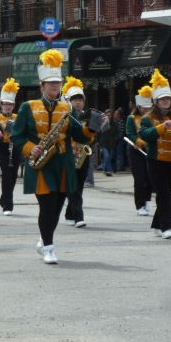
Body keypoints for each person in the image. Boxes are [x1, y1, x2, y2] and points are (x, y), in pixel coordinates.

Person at [11, 49, 95, 264]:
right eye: (50, 83)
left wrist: (93, 129)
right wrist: (32, 148)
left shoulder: (68, 108)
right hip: (40, 164)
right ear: (42, 86)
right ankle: (49, 247)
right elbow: (17, 136)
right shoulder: (27, 107)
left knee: (57, 208)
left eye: (57, 83)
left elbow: (79, 136)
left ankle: (44, 238)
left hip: (63, 164)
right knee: (46, 206)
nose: (55, 87)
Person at [139, 70, 171, 239]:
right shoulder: (147, 118)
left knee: (168, 194)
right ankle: (166, 227)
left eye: (168, 99)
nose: (166, 101)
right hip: (156, 161)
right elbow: (145, 134)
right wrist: (163, 127)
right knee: (163, 194)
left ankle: (157, 224)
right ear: (156, 101)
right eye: (162, 99)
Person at [62, 76, 97, 229]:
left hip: (83, 155)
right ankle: (78, 217)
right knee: (72, 187)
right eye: (74, 99)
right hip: (68, 155)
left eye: (80, 99)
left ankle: (70, 213)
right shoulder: (65, 116)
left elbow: (94, 137)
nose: (78, 102)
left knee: (79, 186)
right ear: (68, 101)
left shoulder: (88, 116)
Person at [0, 78, 20, 216]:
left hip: (15, 149)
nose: (8, 106)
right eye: (5, 104)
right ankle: (8, 206)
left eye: (10, 104)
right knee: (6, 176)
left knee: (12, 178)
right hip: (2, 149)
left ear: (13, 105)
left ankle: (3, 198)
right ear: (1, 105)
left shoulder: (19, 117)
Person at [126, 86, 154, 216]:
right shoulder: (131, 118)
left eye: (148, 107)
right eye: (144, 108)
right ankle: (139, 205)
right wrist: (138, 142)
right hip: (136, 150)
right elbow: (130, 133)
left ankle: (147, 200)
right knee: (139, 179)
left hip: (150, 150)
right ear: (139, 106)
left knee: (149, 177)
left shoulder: (152, 118)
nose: (146, 110)